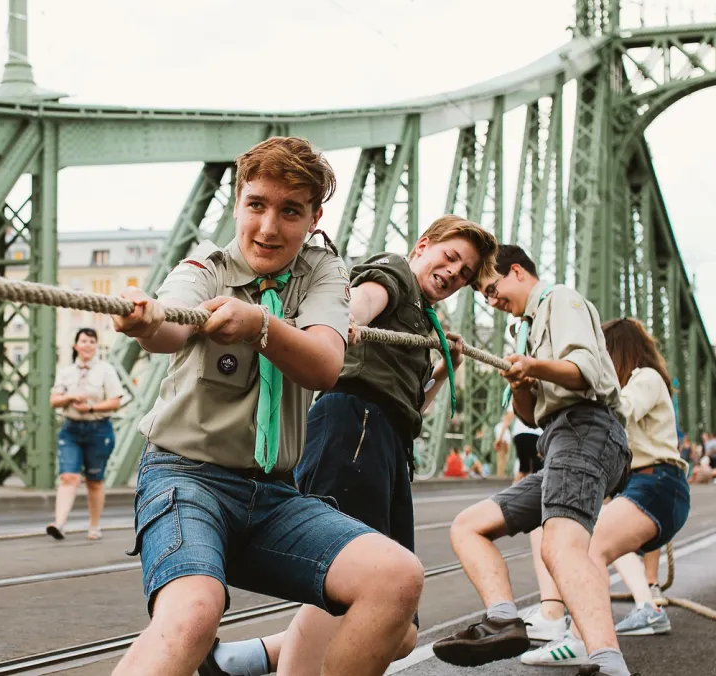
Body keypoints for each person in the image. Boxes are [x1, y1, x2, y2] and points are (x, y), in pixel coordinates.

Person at [109, 137, 423, 676]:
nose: (269, 227)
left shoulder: (325, 275)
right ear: (237, 203)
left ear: (314, 217)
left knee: (397, 579)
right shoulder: (205, 268)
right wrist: (145, 321)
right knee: (192, 615)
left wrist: (261, 325)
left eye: (290, 211)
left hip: (276, 495)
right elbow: (167, 324)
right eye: (256, 205)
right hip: (185, 479)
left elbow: (325, 363)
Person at [203, 213, 496, 676]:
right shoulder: (397, 271)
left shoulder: (422, 317)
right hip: (353, 429)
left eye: (463, 274)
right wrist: (347, 320)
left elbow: (410, 406)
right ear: (422, 246)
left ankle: (245, 659)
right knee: (352, 583)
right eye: (451, 257)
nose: (454, 274)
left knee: (401, 627)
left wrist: (442, 367)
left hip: (386, 442)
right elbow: (362, 298)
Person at [436, 245, 633, 676]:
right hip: (558, 441)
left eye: (492, 289)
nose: (491, 301)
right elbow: (527, 415)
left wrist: (534, 366)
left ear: (518, 272)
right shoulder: (520, 331)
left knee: (559, 545)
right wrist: (521, 381)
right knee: (469, 526)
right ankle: (505, 619)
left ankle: (606, 659)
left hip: (588, 428)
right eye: (485, 298)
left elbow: (586, 372)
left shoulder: (560, 299)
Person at [517, 319, 692, 663]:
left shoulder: (647, 377)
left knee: (587, 548)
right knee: (580, 537)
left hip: (657, 483)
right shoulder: (644, 378)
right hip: (644, 485)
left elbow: (621, 411)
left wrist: (577, 391)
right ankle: (637, 609)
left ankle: (580, 640)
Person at [47, 328, 124, 541]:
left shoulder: (105, 370)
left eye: (92, 341)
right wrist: (69, 397)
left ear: (96, 346)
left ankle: (94, 525)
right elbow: (54, 400)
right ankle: (59, 524)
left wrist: (91, 408)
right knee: (68, 477)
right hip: (71, 429)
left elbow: (116, 401)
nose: (88, 344)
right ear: (76, 345)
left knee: (94, 480)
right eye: (83, 340)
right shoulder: (66, 372)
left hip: (98, 430)